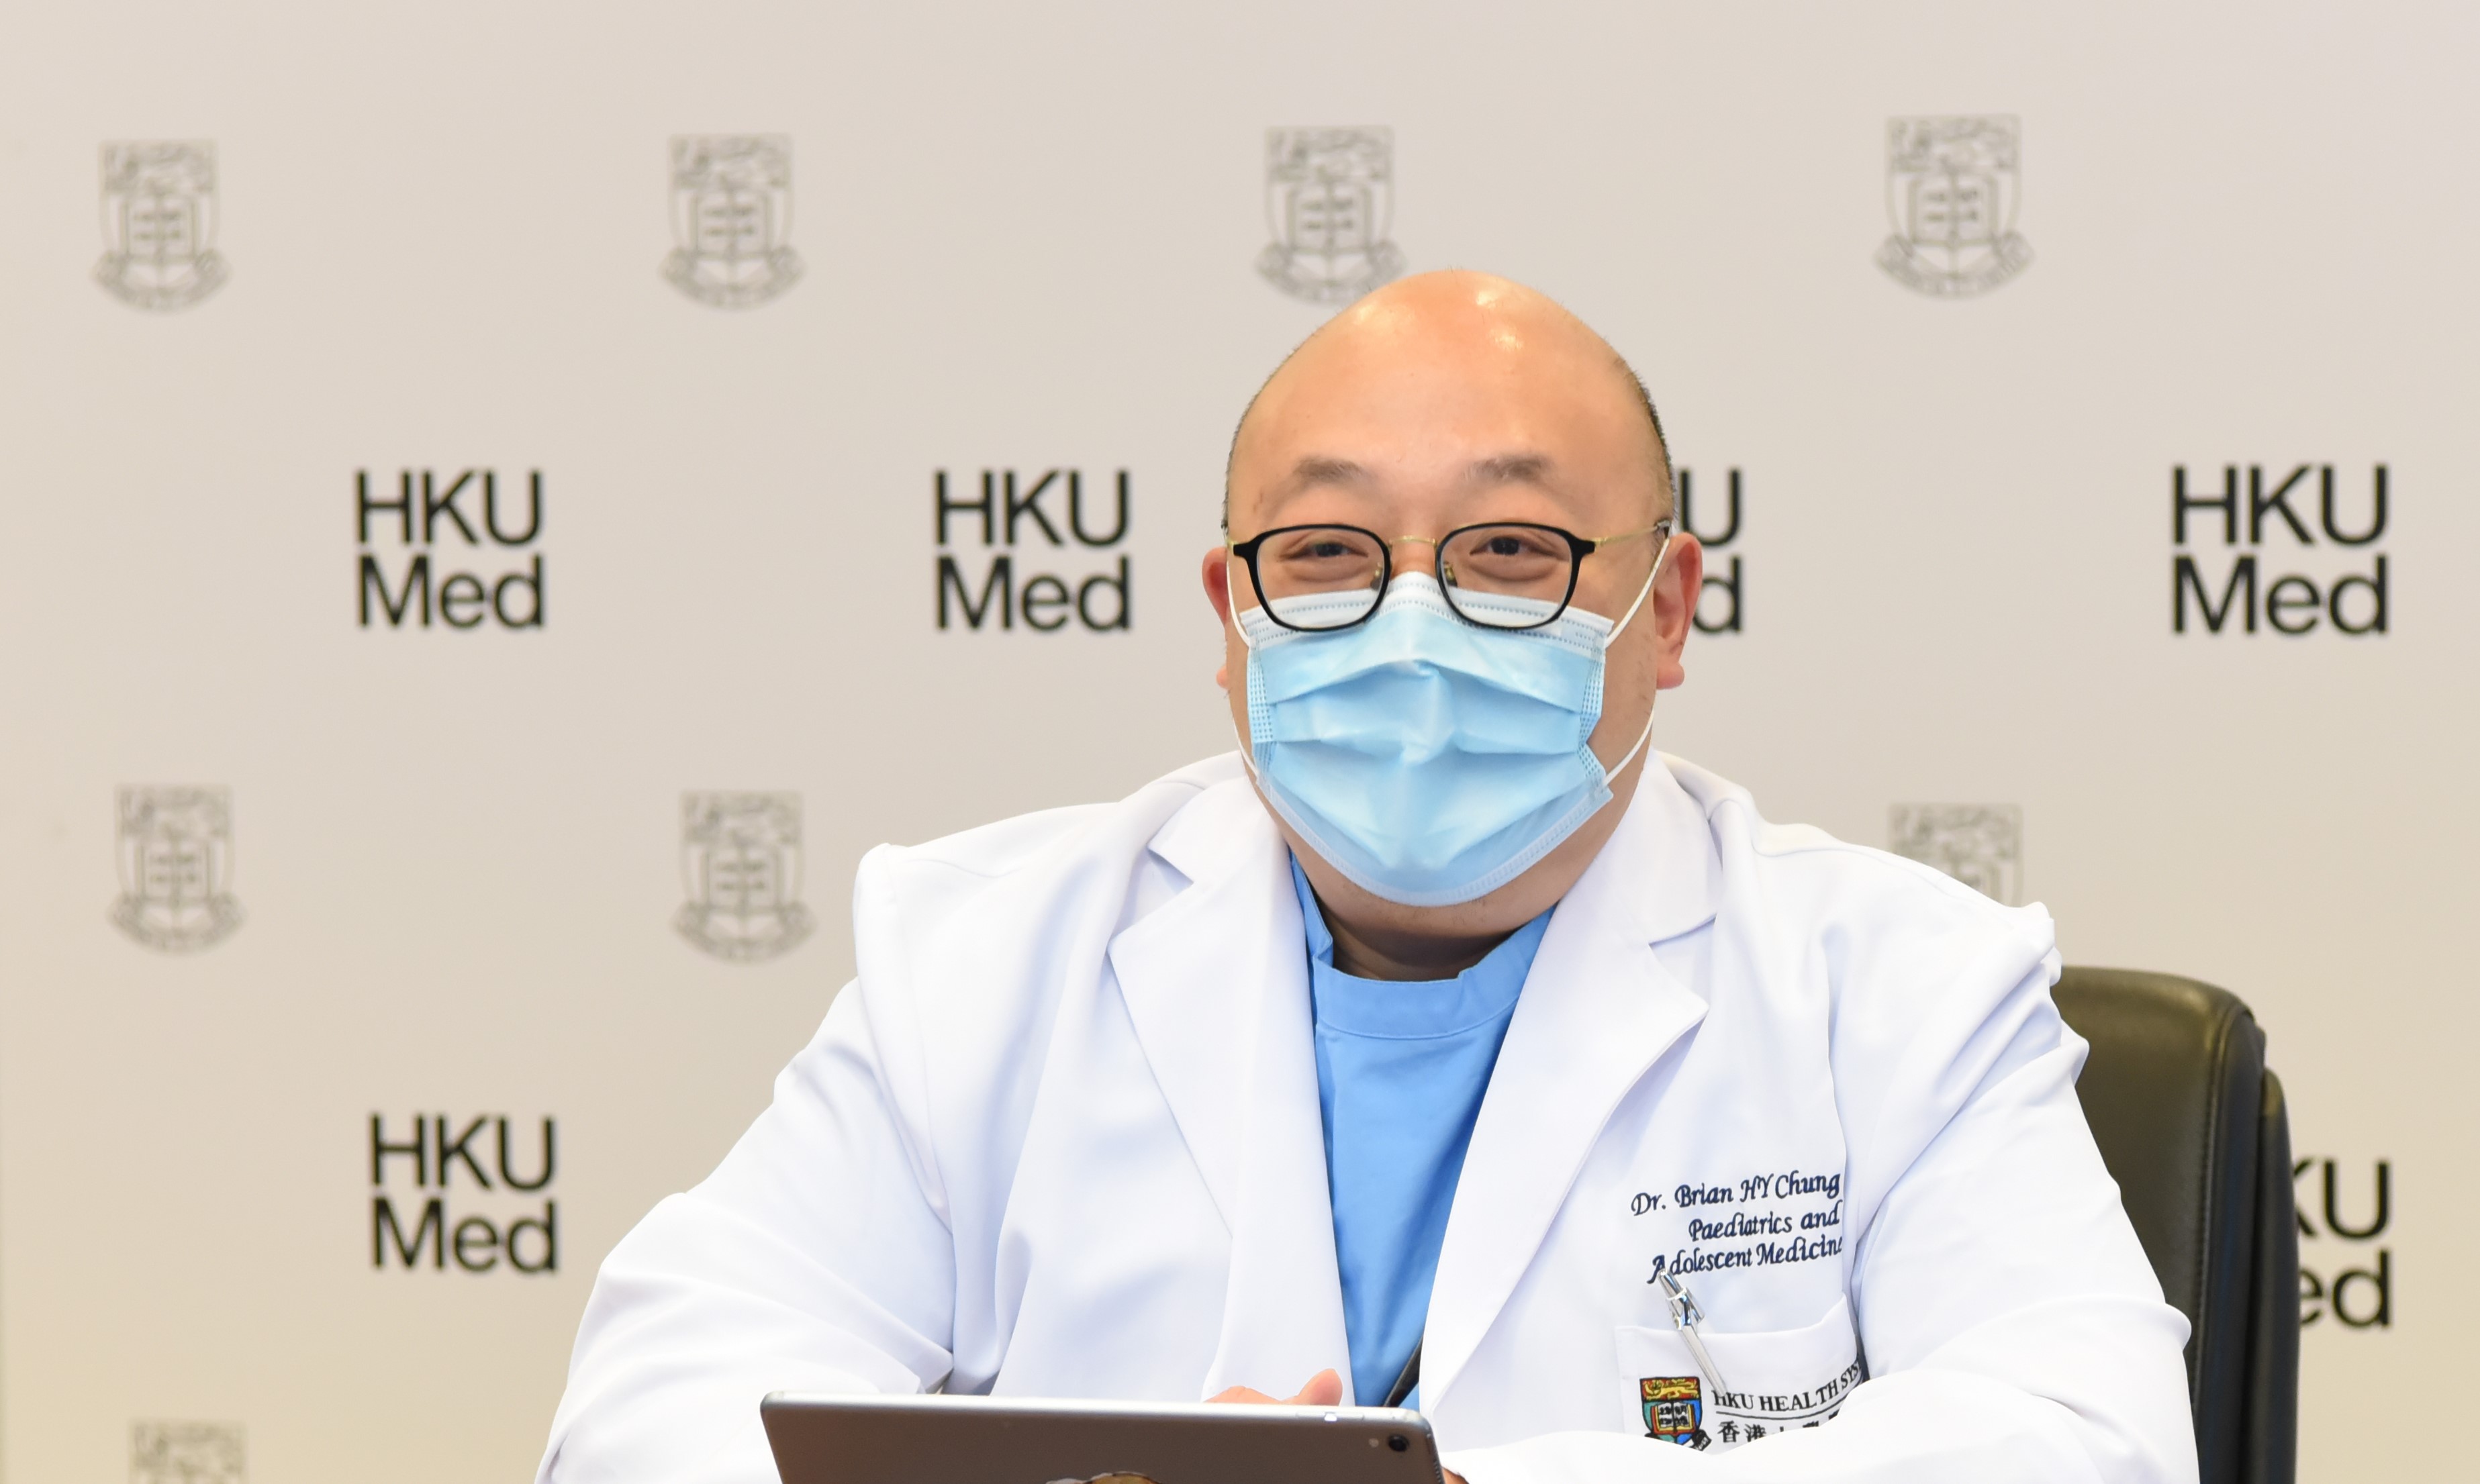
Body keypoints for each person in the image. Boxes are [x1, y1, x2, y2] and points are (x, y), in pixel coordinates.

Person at [538, 273, 2195, 1484]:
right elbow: (652, 1403)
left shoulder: (1899, 987)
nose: (1413, 622)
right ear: (1231, 614)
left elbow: (2084, 1438)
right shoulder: (980, 958)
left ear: (1668, 606)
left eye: (1507, 551)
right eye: (1328, 553)